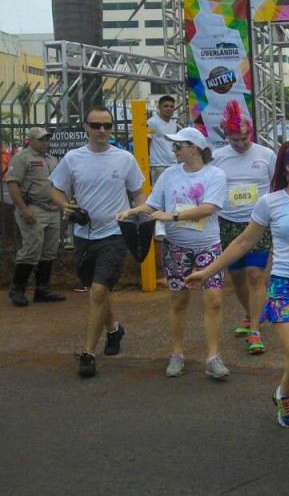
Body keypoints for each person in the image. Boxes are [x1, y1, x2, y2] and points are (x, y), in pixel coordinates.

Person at [187, 140, 289, 473]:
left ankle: (283, 393)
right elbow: (243, 242)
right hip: (286, 288)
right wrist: (208, 271)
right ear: (288, 167)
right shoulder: (270, 203)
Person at [117, 127, 230, 378]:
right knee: (178, 301)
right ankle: (177, 354)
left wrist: (173, 215)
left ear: (194, 147)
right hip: (176, 247)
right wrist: (133, 212)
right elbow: (152, 203)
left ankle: (213, 357)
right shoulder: (169, 174)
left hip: (208, 246)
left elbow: (209, 207)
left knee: (214, 300)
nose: (174, 150)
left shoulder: (215, 175)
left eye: (178, 146)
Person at [50, 106, 146, 377]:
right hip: (83, 236)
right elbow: (56, 189)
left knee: (98, 292)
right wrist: (65, 206)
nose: (102, 130)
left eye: (107, 125)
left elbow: (139, 193)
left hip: (115, 235)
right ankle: (114, 329)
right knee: (97, 290)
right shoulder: (72, 158)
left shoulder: (124, 158)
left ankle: (89, 354)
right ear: (85, 127)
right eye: (96, 125)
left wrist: (135, 216)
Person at [211, 100, 277, 354]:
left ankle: (255, 330)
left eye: (244, 138)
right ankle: (251, 313)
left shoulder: (266, 155)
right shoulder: (217, 158)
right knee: (236, 276)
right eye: (234, 140)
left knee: (255, 274)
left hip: (258, 223)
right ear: (226, 136)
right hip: (228, 223)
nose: (240, 144)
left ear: (251, 133)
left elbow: (277, 186)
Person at [6, 127, 66, 307]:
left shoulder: (51, 159)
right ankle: (17, 289)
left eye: (47, 139)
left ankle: (42, 289)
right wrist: (24, 210)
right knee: (32, 248)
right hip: (33, 207)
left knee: (49, 250)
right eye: (41, 139)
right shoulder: (21, 158)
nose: (45, 142)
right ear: (30, 140)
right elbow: (13, 185)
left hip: (52, 209)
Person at [147, 95, 180, 184]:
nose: (169, 108)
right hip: (158, 165)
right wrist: (148, 163)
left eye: (171, 106)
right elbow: (147, 142)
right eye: (165, 106)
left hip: (173, 164)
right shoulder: (152, 122)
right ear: (159, 108)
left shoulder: (174, 125)